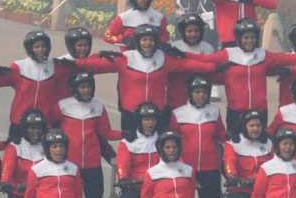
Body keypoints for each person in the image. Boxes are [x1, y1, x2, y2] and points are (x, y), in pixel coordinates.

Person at [74, 24, 212, 134]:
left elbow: (189, 64)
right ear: (137, 41)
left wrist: (212, 65)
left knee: (157, 154)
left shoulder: (164, 58)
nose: (148, 43)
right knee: (129, 150)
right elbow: (93, 64)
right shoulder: (125, 58)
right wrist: (73, 62)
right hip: (131, 114)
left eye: (151, 40)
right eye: (144, 39)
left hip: (157, 115)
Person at [190, 18, 296, 135]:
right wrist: (183, 55)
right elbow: (205, 59)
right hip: (236, 112)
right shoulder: (228, 54)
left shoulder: (263, 54)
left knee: (259, 146)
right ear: (239, 38)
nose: (250, 41)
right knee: (235, 146)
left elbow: (287, 58)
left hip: (259, 111)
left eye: (253, 37)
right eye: (246, 37)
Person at [56, 74, 121, 198]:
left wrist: (128, 133)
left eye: (89, 87)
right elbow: (51, 132)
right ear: (75, 89)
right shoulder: (62, 106)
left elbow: (104, 134)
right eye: (82, 87)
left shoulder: (98, 107)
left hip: (92, 167)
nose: (86, 90)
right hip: (69, 169)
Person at [170, 77, 227, 198]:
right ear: (190, 94)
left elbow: (221, 135)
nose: (201, 95)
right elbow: (171, 142)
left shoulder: (214, 111)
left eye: (204, 92)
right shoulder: (179, 113)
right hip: (185, 170)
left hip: (210, 168)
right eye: (197, 92)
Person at [0, 30, 76, 140]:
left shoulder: (55, 65)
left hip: (44, 123)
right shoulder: (19, 66)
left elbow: (78, 61)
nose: (41, 50)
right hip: (19, 123)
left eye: (43, 46)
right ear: (30, 49)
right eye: (36, 47)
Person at [223, 111, 274, 198]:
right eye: (251, 126)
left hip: (264, 190)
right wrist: (233, 176)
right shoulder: (234, 144)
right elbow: (229, 161)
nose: (255, 129)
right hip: (241, 189)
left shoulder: (268, 143)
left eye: (258, 125)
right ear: (244, 127)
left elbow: (274, 163)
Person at [116, 104, 163, 198]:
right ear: (139, 121)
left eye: (153, 119)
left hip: (158, 186)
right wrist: (123, 177)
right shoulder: (129, 141)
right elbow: (122, 163)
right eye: (146, 120)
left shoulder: (163, 139)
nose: (150, 123)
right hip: (134, 186)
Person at [0, 111, 47, 198]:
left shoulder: (48, 146)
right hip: (19, 194)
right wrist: (6, 183)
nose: (35, 131)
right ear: (24, 129)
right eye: (32, 128)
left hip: (42, 195)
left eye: (38, 128)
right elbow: (7, 169)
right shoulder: (15, 146)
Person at [166, 14, 216, 109]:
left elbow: (211, 71)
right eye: (189, 31)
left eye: (196, 31)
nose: (193, 34)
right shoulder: (175, 47)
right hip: (177, 99)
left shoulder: (208, 48)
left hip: (200, 98)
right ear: (182, 32)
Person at [105, 0, 169, 46]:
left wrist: (155, 41)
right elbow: (107, 36)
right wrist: (123, 40)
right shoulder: (123, 17)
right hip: (128, 54)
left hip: (154, 55)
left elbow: (166, 37)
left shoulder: (159, 17)